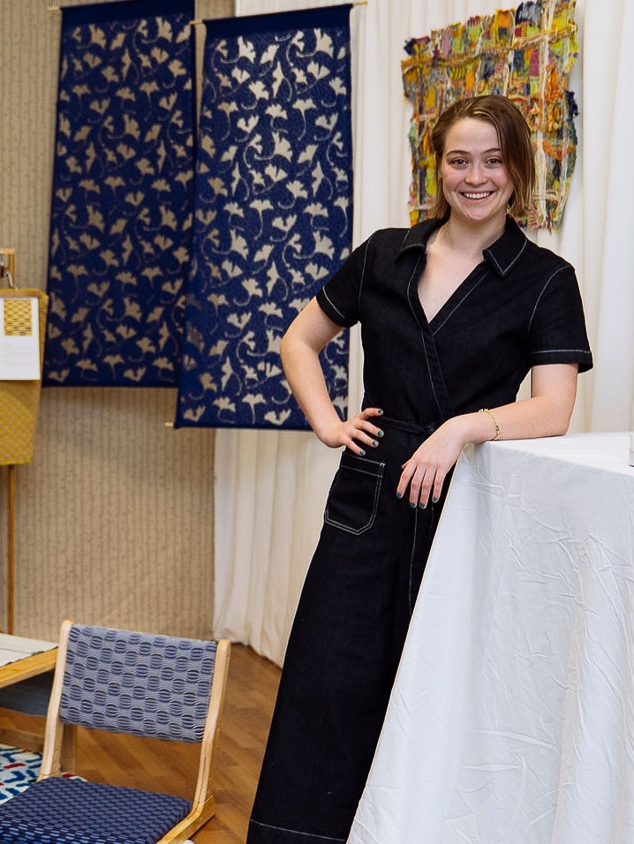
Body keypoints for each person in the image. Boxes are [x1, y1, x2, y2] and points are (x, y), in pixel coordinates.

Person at [246, 94, 594, 844]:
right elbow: (299, 341)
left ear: (519, 170)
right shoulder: (383, 254)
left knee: (440, 692)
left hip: (469, 503)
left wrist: (464, 428)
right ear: (436, 169)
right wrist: (328, 422)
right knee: (327, 686)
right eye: (459, 160)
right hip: (367, 497)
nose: (476, 177)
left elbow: (554, 408)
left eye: (493, 161)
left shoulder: (545, 279)